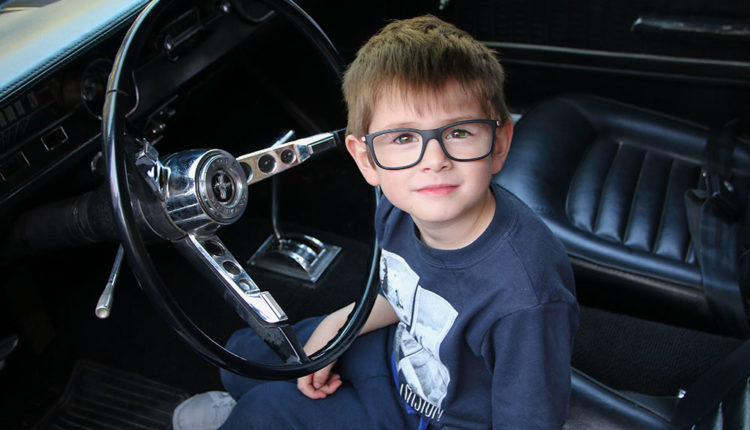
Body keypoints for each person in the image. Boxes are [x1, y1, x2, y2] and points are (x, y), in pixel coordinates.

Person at [173, 14, 579, 430]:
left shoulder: (526, 299)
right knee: (249, 356)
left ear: (499, 144)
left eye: (459, 132)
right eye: (403, 138)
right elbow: (406, 289)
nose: (434, 160)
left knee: (264, 413)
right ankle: (248, 399)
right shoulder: (400, 203)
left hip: (431, 416)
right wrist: (339, 325)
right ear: (367, 160)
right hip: (393, 351)